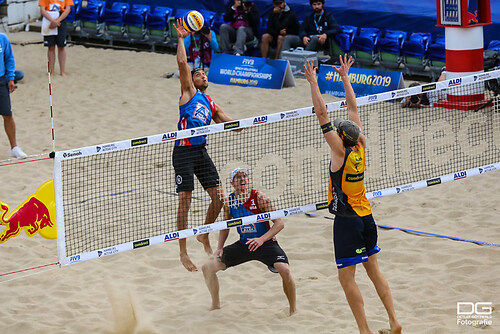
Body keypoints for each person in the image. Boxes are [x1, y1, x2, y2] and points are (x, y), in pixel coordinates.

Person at [302, 55, 402, 334]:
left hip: (347, 221)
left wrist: (313, 82)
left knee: (347, 279)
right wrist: (346, 78)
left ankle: (365, 331)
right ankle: (394, 321)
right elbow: (354, 108)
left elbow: (321, 115)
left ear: (340, 137)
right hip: (367, 216)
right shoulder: (360, 145)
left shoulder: (339, 152)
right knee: (375, 271)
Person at [173, 19, 241, 272]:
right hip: (183, 151)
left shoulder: (210, 102)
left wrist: (242, 125)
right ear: (191, 80)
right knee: (185, 201)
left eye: (203, 73)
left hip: (200, 151)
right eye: (198, 74)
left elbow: (226, 120)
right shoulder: (189, 92)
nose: (202, 75)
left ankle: (203, 234)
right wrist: (181, 38)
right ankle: (182, 251)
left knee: (220, 199)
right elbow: (182, 63)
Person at [202, 168, 296, 315]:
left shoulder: (260, 198)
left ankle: (293, 309)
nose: (242, 179)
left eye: (244, 176)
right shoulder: (229, 202)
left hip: (266, 244)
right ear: (232, 183)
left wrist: (261, 239)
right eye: (238, 177)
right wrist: (219, 247)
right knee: (207, 268)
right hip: (244, 244)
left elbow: (279, 223)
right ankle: (215, 305)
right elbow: (225, 227)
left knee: (285, 270)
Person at [0, 33, 27, 159]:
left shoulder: (3, 38)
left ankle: (14, 148)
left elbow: (9, 58)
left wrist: (11, 78)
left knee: (8, 115)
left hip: (1, 80)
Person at [38, 0, 74, 76]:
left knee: (61, 46)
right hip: (48, 17)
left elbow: (68, 9)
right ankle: (52, 71)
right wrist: (52, 21)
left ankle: (62, 71)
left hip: (61, 18)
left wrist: (57, 21)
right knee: (51, 47)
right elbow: (42, 10)